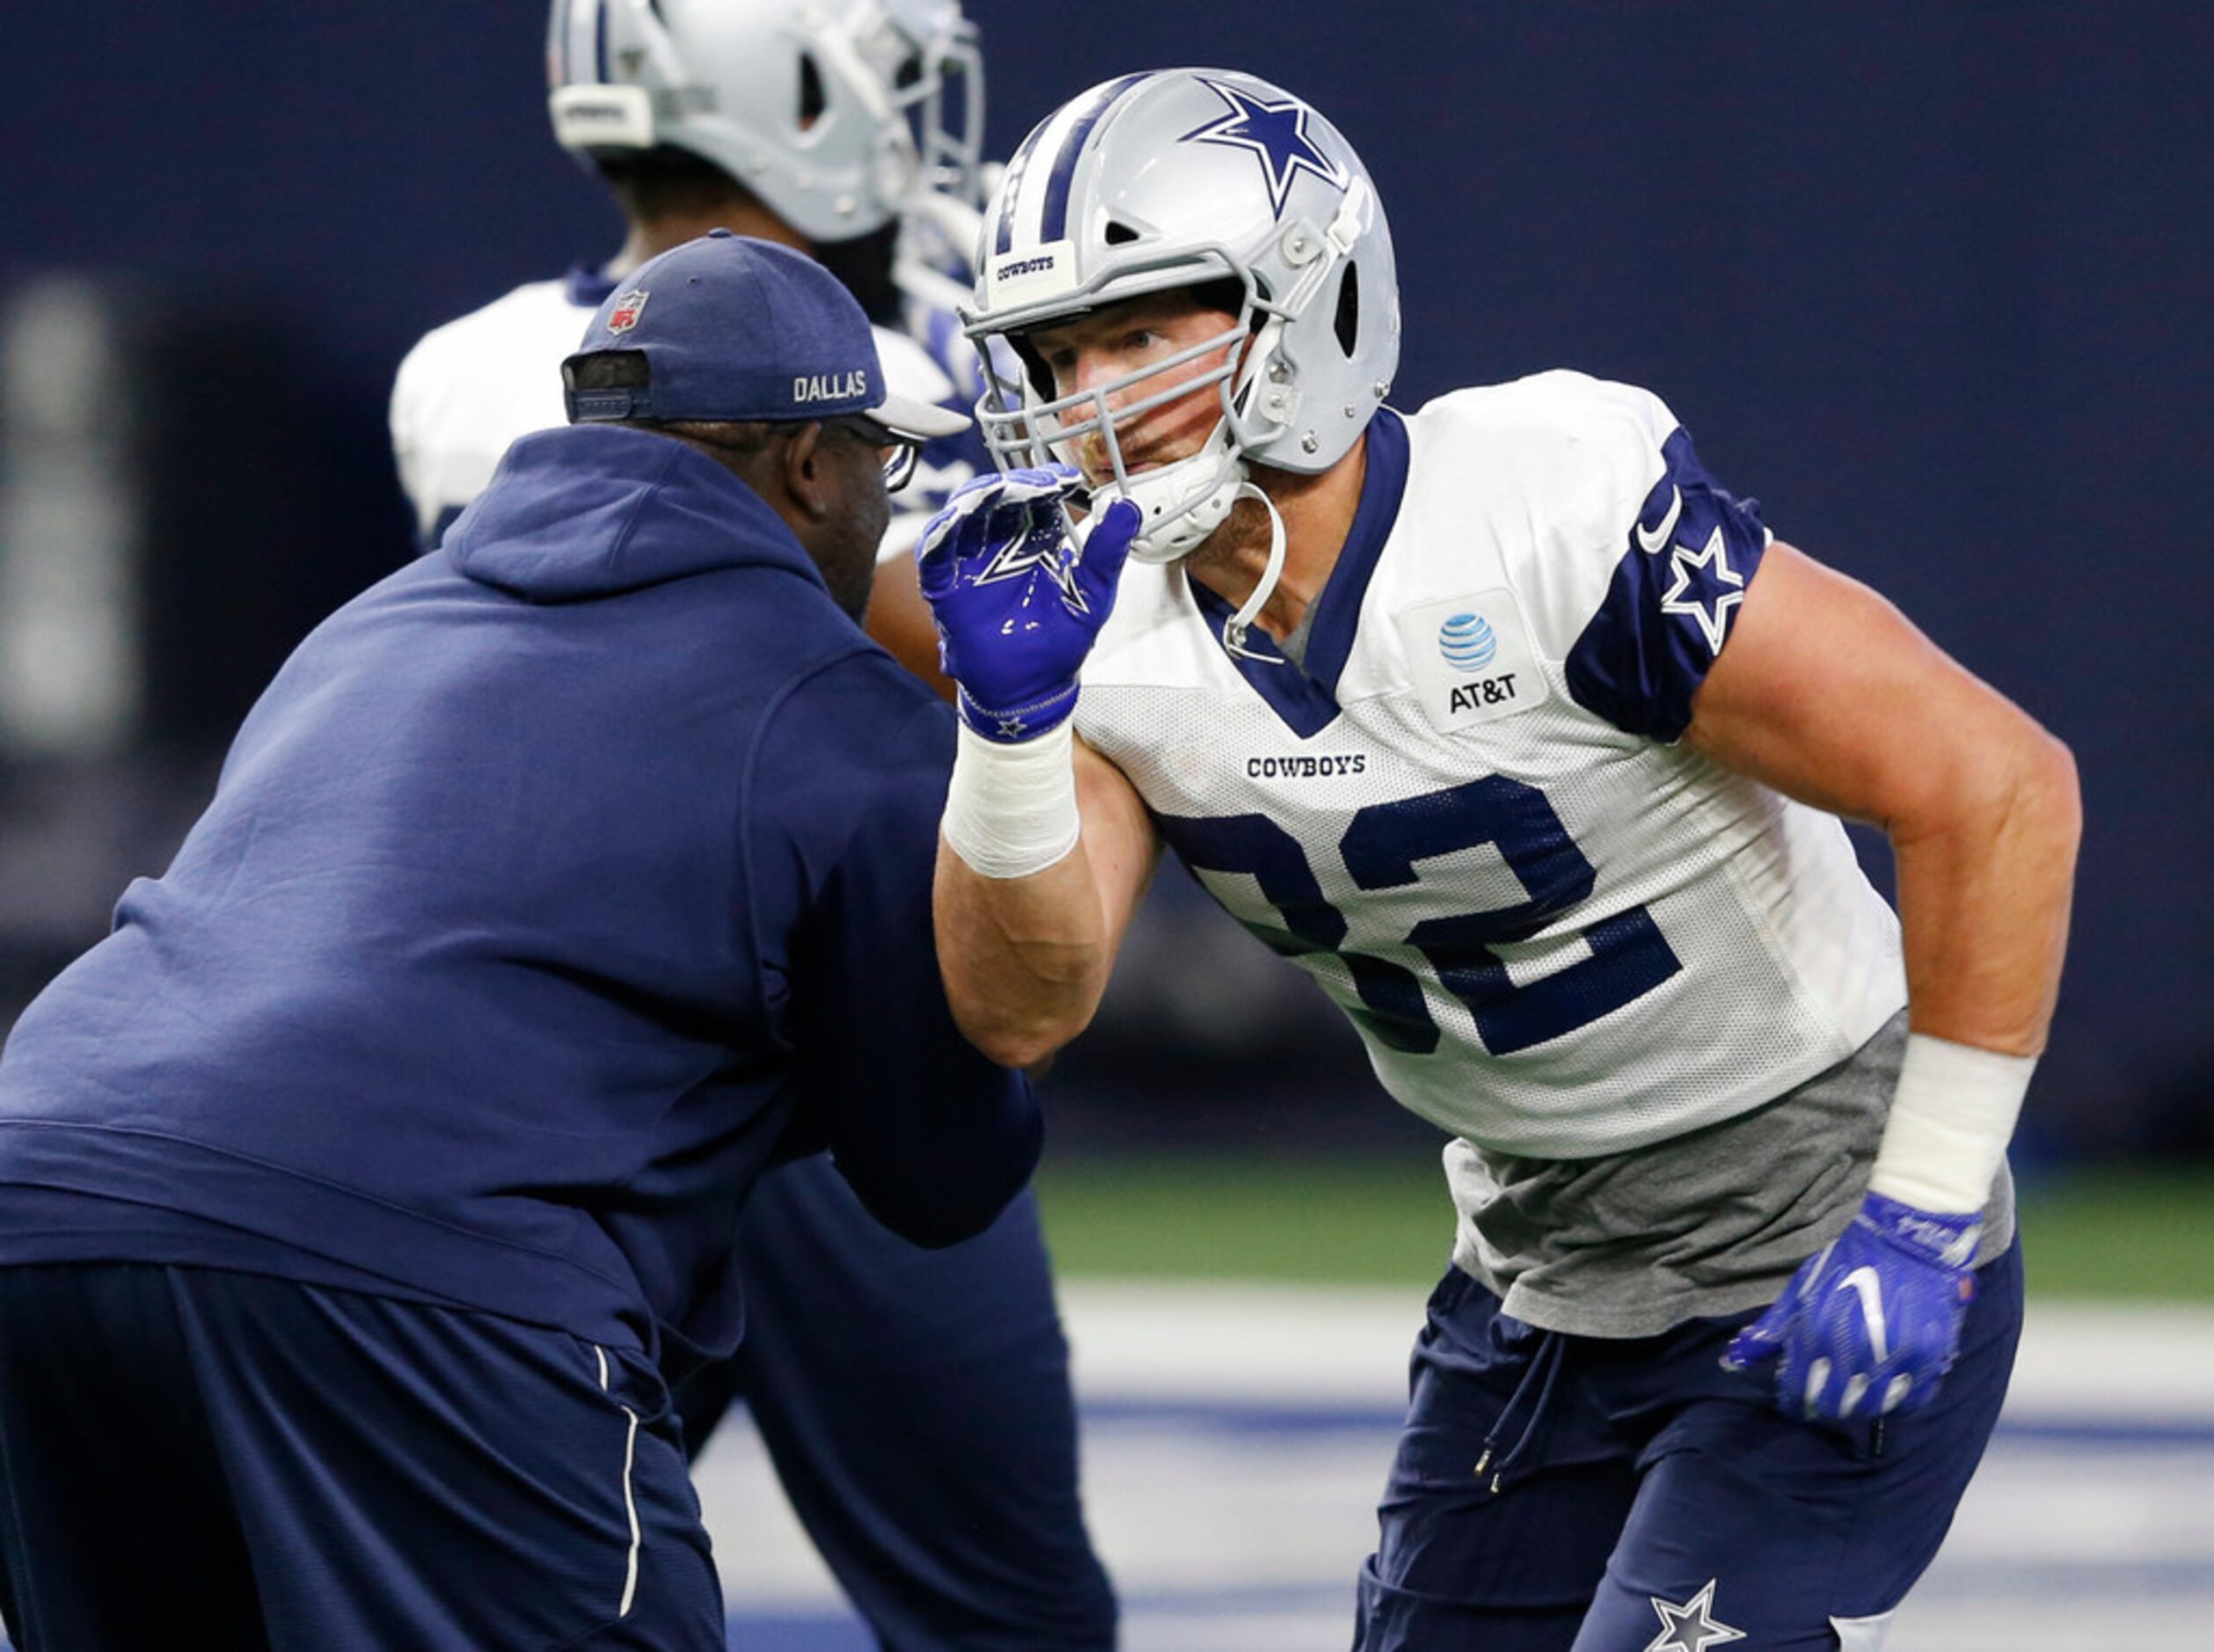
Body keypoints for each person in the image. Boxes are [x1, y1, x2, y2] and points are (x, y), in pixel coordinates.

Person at [917, 68, 2082, 1650]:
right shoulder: (1101, 621)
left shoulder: (1544, 512)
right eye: (1059, 356)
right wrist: (1004, 728)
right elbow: (1022, 1007)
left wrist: (1925, 1209)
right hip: (1533, 1279)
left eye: (1139, 333)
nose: (1091, 399)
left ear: (1305, 305)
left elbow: (1994, 785)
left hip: (1817, 1234)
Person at [0, 231, 1040, 1651]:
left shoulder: (366, 626)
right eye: (880, 461)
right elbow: (939, 1170)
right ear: (809, 465)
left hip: (37, 1201)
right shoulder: (833, 700)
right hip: (401, 1258)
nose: (883, 500)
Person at [390, 6, 1118, 1648]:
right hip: (815, 1041)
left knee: (512, 1582)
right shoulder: (875, 373)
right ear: (792, 93)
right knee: (1007, 1613)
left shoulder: (474, 357)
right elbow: (961, 637)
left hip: (563, 1068)